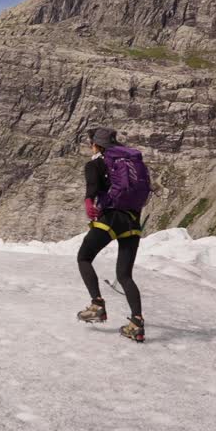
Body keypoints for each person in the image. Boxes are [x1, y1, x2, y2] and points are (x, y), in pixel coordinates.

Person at [75, 127, 150, 342]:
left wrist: (89, 202)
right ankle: (136, 323)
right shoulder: (129, 162)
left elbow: (92, 188)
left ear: (96, 145)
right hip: (133, 221)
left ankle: (97, 305)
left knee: (84, 257)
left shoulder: (95, 164)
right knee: (125, 275)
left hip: (111, 219)